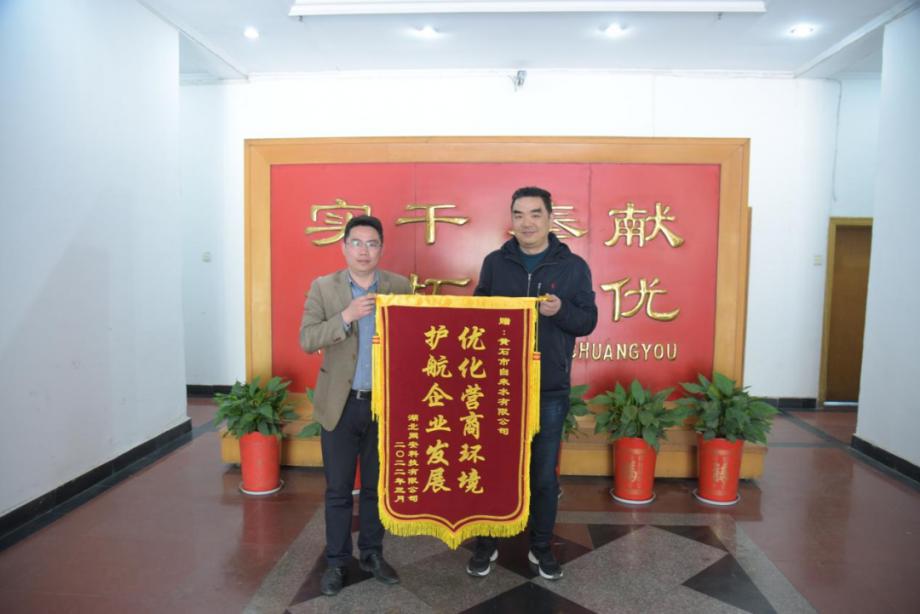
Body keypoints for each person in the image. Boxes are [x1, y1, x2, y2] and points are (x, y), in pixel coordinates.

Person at [467, 186, 598, 580]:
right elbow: (477, 312)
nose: (526, 223)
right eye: (519, 214)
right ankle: (486, 542)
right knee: (493, 467)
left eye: (535, 214)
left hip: (548, 388)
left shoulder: (572, 267)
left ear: (550, 218)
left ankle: (541, 547)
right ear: (512, 219)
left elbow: (587, 321)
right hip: (498, 387)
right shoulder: (495, 263)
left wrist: (561, 311)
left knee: (542, 476)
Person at [300, 215, 412, 596]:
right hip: (340, 404)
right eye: (357, 243)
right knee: (338, 489)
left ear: (382, 248)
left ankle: (372, 554)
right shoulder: (323, 287)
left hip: (383, 405)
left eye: (372, 243)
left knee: (377, 487)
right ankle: (336, 561)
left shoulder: (399, 286)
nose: (365, 251)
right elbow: (307, 338)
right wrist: (346, 317)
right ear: (344, 247)